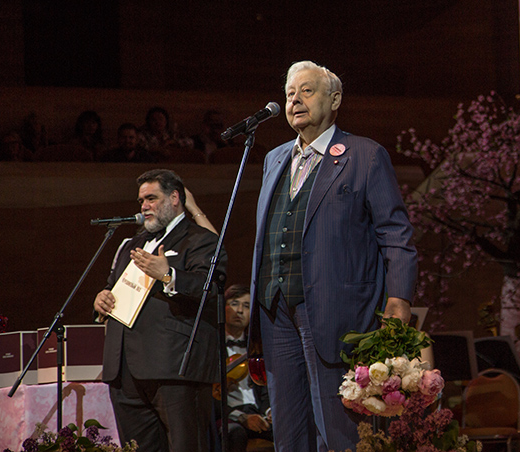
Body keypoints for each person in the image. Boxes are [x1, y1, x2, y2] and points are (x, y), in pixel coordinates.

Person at [249, 60, 418, 452]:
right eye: (290, 93)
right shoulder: (274, 159)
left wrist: (399, 298)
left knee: (340, 432)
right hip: (276, 312)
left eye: (306, 91)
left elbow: (395, 232)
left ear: (335, 98)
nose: (295, 100)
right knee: (289, 434)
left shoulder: (365, 155)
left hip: (335, 311)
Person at [93, 169, 227, 452]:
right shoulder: (131, 243)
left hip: (174, 366)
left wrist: (169, 275)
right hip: (125, 370)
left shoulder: (201, 239)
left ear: (175, 197)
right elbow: (113, 288)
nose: (144, 206)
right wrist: (102, 300)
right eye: (141, 200)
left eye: (152, 198)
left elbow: (212, 289)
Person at [219, 284, 273, 452]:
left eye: (247, 306)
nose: (240, 311)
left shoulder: (257, 347)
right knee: (234, 433)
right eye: (235, 303)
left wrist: (270, 411)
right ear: (223, 307)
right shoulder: (212, 346)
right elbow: (210, 399)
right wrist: (242, 417)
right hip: (229, 415)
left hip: (258, 412)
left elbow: (265, 388)